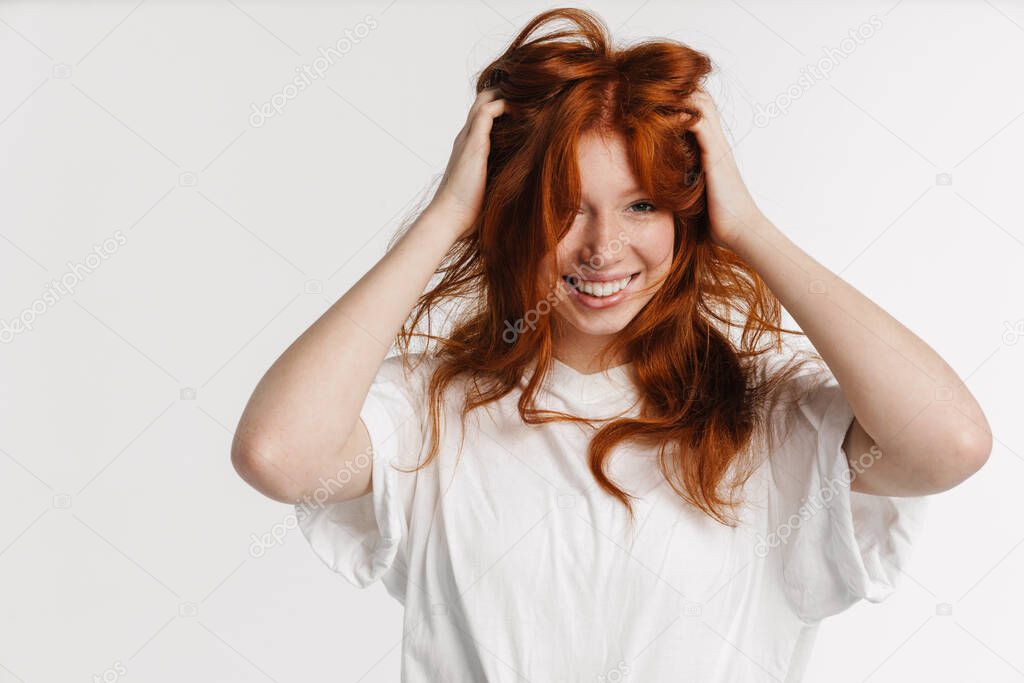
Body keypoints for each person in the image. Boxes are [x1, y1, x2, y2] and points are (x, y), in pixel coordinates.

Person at [230, 7, 991, 681]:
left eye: (641, 204)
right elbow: (278, 455)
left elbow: (950, 442)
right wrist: (442, 220)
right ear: (514, 214)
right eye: (566, 206)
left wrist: (751, 229)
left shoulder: (770, 417)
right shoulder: (431, 411)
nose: (604, 246)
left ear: (685, 217)